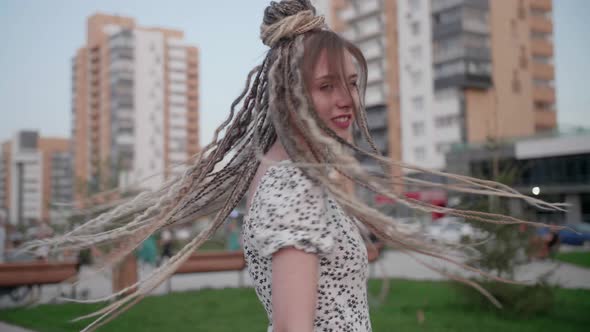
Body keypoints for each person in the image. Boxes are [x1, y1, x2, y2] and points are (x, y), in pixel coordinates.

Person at [21, 1, 566, 331]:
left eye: (352, 83)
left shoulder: (292, 174)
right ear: (290, 95)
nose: (347, 99)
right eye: (327, 86)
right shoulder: (291, 186)